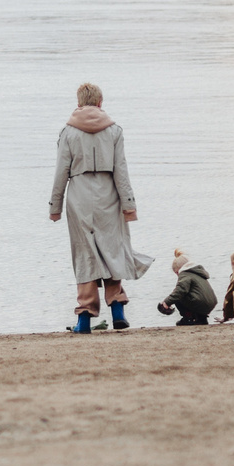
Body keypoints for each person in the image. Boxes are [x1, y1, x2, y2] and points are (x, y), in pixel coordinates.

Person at [48, 82, 151, 331]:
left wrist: (55, 206)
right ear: (100, 103)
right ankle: (117, 310)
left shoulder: (68, 132)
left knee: (84, 253)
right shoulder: (114, 131)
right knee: (112, 249)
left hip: (79, 196)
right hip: (108, 194)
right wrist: (129, 206)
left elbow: (61, 172)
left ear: (79, 103)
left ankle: (84, 319)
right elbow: (122, 172)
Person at [157, 250, 215, 326]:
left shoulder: (185, 274)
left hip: (200, 303)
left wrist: (167, 302)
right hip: (210, 303)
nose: (178, 275)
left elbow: (180, 290)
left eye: (177, 273)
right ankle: (201, 319)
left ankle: (188, 318)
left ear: (180, 269)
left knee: (178, 296)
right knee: (191, 293)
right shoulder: (198, 273)